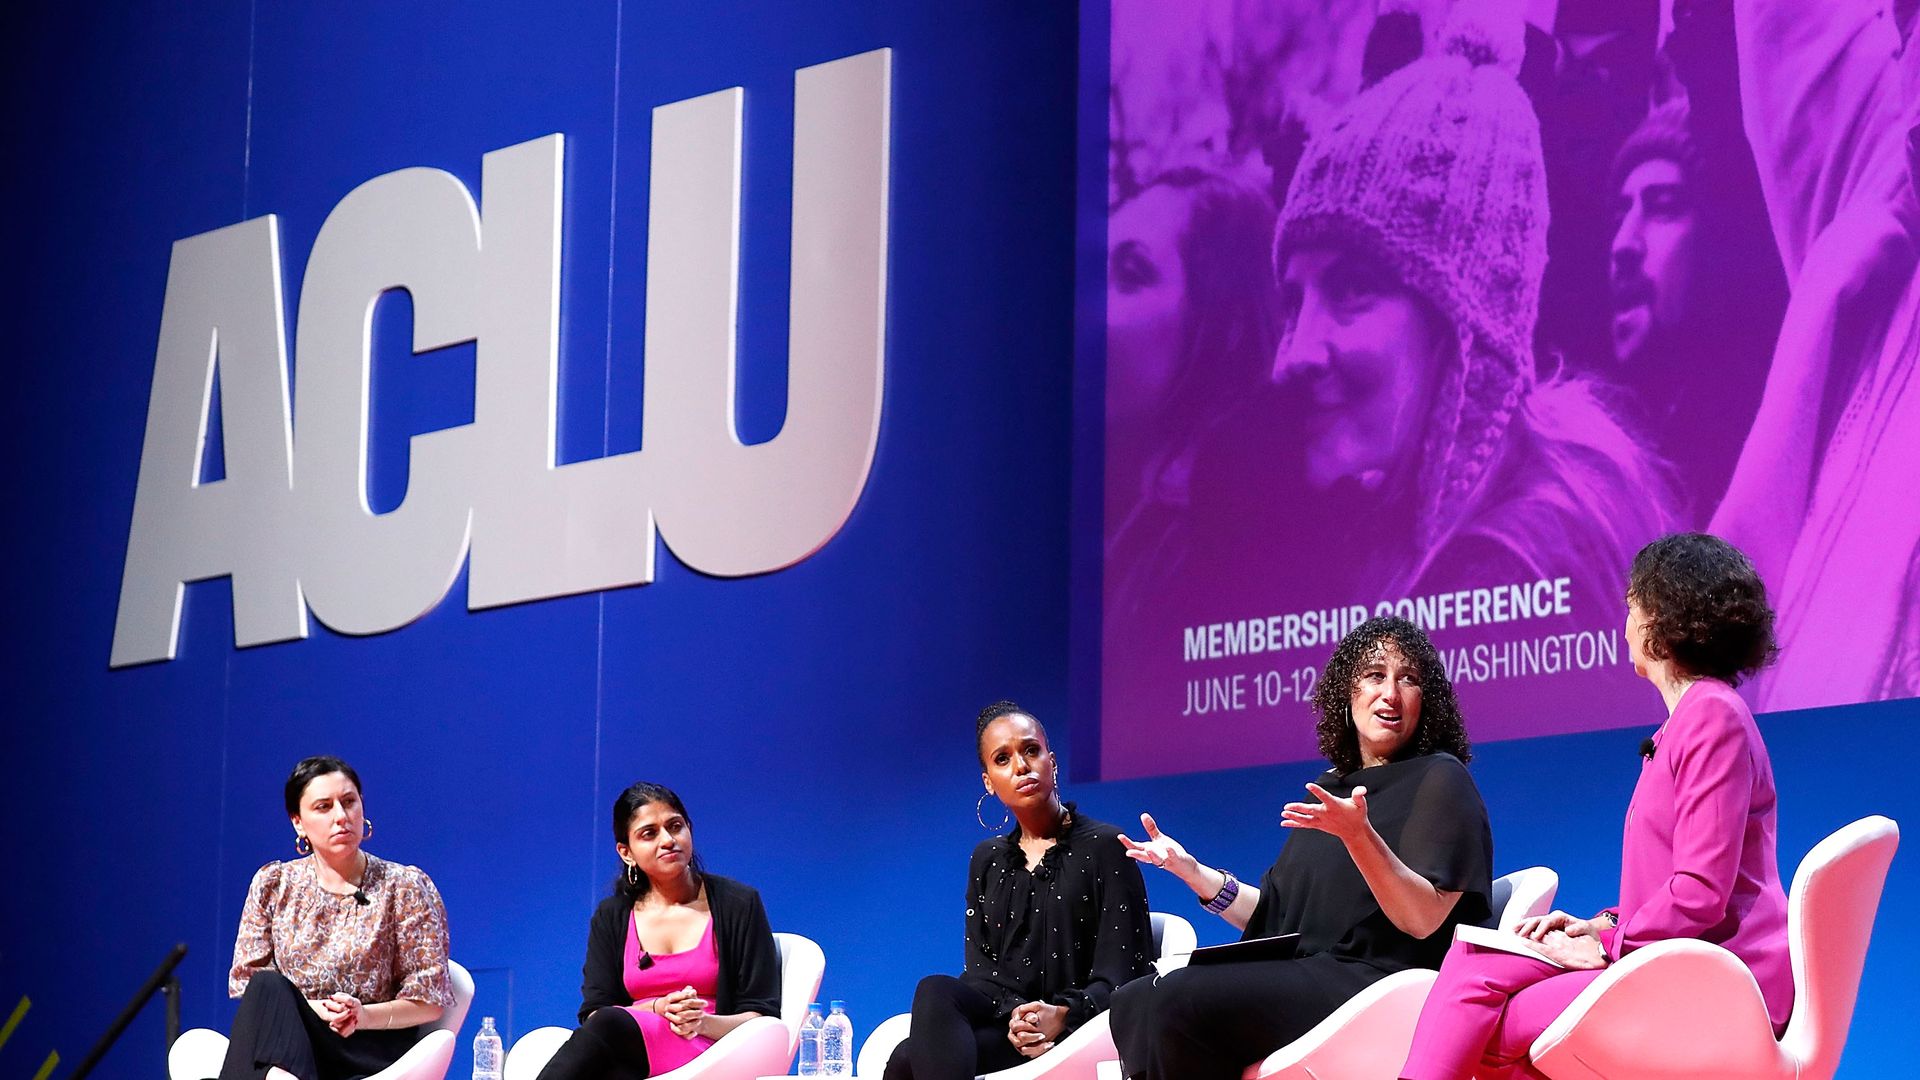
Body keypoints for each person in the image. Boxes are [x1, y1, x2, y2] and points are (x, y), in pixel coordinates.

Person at [1268, 13, 1676, 609]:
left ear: (1467, 326)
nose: (1292, 357)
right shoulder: (1386, 529)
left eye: (1353, 288)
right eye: (1292, 301)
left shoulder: (1509, 583)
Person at [1400, 532, 1789, 1079]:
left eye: (1631, 609)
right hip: (1671, 959)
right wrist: (1599, 925)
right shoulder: (1688, 721)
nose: (1624, 626)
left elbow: (1701, 892)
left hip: (1720, 978)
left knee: (1484, 1011)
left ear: (1661, 620)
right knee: (1477, 970)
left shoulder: (1711, 717)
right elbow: (1675, 886)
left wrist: (1609, 945)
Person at [1109, 617, 1493, 1080]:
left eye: (1408, 679)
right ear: (1347, 693)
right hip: (1308, 970)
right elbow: (1273, 916)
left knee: (1176, 1001)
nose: (1390, 693)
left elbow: (1422, 918)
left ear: (1425, 700)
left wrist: (1359, 837)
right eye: (1375, 675)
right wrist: (1194, 873)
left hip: (1378, 981)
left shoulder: (1441, 778)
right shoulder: (1332, 788)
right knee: (1133, 999)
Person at [884, 702, 1154, 1080]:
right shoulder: (988, 859)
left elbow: (1128, 974)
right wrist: (1018, 1016)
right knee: (933, 992)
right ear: (988, 782)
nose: (1021, 766)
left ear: (1052, 762)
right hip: (1008, 1024)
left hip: (1076, 1029)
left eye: (1031, 750)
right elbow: (981, 972)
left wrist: (1061, 1014)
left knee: (907, 1060)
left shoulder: (1106, 846)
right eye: (1003, 759)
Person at [219, 757, 453, 1080]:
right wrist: (315, 1011)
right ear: (298, 822)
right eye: (324, 807)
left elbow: (430, 1001)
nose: (341, 817)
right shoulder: (273, 884)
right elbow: (250, 987)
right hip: (297, 1039)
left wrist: (362, 1015)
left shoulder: (404, 887)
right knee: (265, 986)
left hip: (369, 1048)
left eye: (349, 802)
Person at [537, 782, 779, 1080]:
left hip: (712, 1050)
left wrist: (700, 1022)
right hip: (630, 1049)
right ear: (626, 852)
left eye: (675, 826)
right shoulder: (612, 915)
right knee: (612, 1058)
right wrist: (657, 1008)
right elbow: (595, 1012)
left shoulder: (738, 903)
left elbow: (762, 1016)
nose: (668, 840)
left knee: (609, 1033)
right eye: (649, 833)